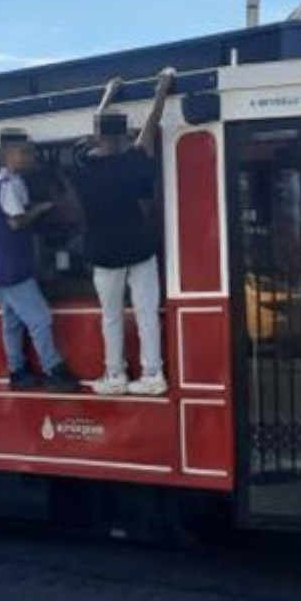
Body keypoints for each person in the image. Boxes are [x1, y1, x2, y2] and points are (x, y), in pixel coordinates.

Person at [72, 68, 177, 396]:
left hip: (105, 255)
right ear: (122, 139)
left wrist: (108, 93)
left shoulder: (83, 166)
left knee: (112, 317)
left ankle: (115, 374)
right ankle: (152, 375)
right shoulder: (131, 161)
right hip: (139, 249)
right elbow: (150, 125)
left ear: (98, 138)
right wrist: (162, 88)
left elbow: (96, 126)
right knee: (146, 312)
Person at [0, 128, 78, 392]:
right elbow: (16, 221)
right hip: (13, 267)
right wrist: (42, 208)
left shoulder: (1, 181)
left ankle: (17, 371)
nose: (28, 157)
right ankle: (53, 368)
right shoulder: (9, 184)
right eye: (22, 152)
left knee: (11, 322)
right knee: (40, 318)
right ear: (6, 156)